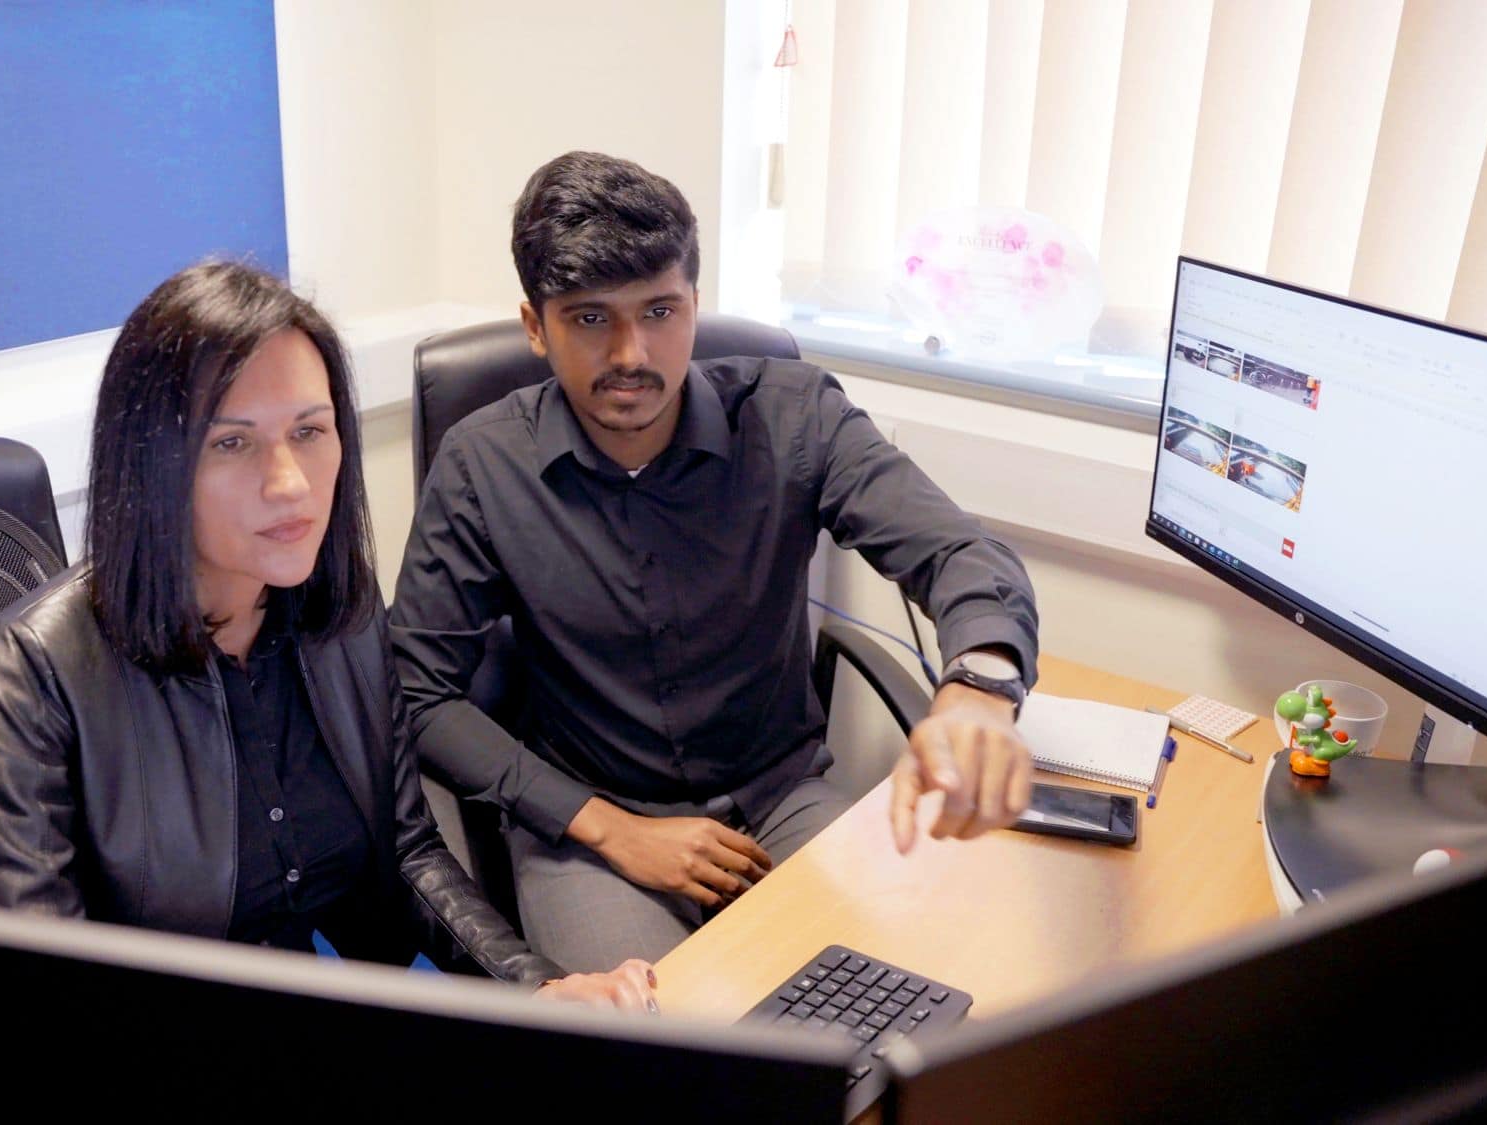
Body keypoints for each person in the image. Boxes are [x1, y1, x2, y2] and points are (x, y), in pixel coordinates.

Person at [391, 152, 1042, 972]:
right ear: (535, 326)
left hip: (781, 797)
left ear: (696, 304)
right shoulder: (483, 463)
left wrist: (979, 686)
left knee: (916, 988)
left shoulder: (796, 416)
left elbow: (960, 552)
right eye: (591, 318)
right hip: (593, 827)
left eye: (660, 310)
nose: (632, 352)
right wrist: (607, 825)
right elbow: (417, 690)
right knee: (663, 1044)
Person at [0, 260, 653, 1010]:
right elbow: (33, 995)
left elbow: (405, 850)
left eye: (310, 431)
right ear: (151, 462)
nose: (289, 481)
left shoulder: (338, 618)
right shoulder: (32, 672)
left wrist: (534, 984)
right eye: (231, 443)